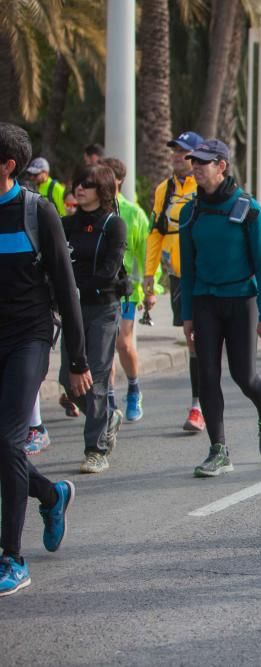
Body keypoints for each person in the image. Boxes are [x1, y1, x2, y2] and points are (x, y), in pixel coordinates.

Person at [0, 122, 91, 596]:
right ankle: (52, 494)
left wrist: (76, 360)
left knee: (9, 441)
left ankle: (11, 558)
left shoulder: (37, 213)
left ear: (7, 166)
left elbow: (66, 289)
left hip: (29, 337)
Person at [178, 140, 261, 477]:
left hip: (242, 301)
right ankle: (218, 450)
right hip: (206, 301)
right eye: (194, 162)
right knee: (207, 375)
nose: (196, 167)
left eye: (203, 162)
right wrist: (187, 314)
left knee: (243, 375)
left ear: (222, 166)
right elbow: (188, 268)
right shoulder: (189, 212)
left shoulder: (248, 209)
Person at [60, 165, 128, 474]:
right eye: (78, 183)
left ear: (102, 190)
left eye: (87, 184)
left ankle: (96, 449)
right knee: (68, 378)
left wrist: (73, 286)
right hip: (72, 309)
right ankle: (109, 416)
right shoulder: (65, 224)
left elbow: (108, 271)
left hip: (103, 307)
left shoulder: (114, 225)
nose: (80, 188)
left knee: (97, 378)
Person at [144, 130, 205, 432]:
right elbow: (156, 232)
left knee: (205, 340)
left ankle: (203, 403)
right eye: (174, 151)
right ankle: (198, 405)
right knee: (193, 340)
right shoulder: (164, 189)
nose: (177, 157)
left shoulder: (205, 186)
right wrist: (148, 275)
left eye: (183, 152)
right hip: (179, 277)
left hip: (207, 276)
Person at [101, 157, 161, 422]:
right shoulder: (94, 211)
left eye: (108, 177)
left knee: (123, 343)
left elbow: (147, 253)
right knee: (105, 347)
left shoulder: (133, 213)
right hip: (102, 291)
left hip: (128, 291)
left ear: (119, 181)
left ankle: (134, 388)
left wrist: (151, 288)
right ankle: (110, 399)